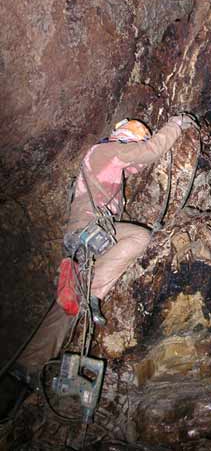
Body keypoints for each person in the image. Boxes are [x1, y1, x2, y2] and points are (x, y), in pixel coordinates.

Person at [15, 114, 195, 380]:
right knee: (139, 239)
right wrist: (176, 125)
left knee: (68, 305)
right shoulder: (105, 150)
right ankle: (93, 292)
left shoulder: (107, 163)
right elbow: (149, 151)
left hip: (87, 238)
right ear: (127, 138)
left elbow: (137, 161)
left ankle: (28, 364)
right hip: (89, 232)